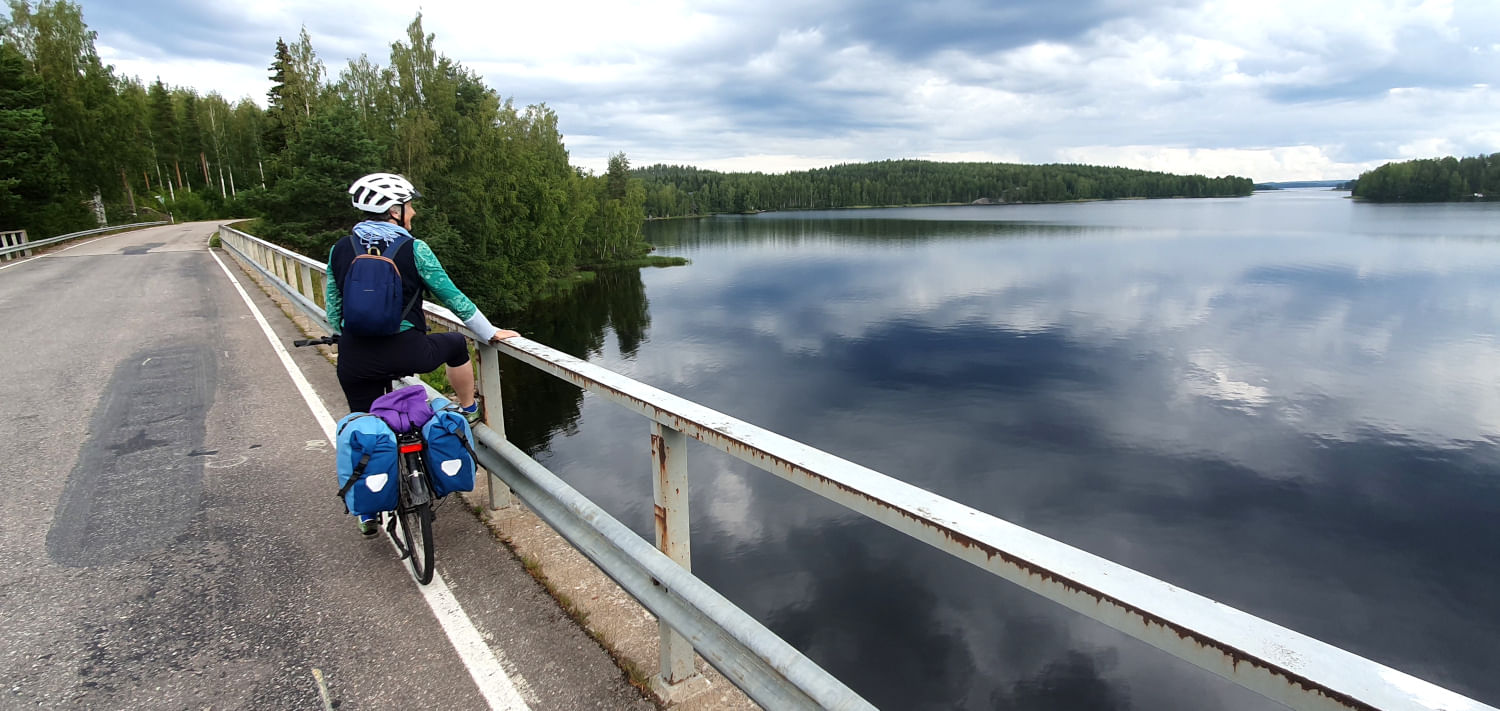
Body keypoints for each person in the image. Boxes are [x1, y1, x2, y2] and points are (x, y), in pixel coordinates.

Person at [327, 173, 518, 534]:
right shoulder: (414, 248)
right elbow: (452, 296)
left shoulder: (340, 249)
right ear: (394, 211)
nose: (412, 212)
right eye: (408, 206)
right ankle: (468, 408)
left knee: (365, 426)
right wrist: (490, 332)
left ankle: (368, 513)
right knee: (455, 344)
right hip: (408, 351)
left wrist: (346, 337)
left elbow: (334, 309)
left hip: (356, 358)